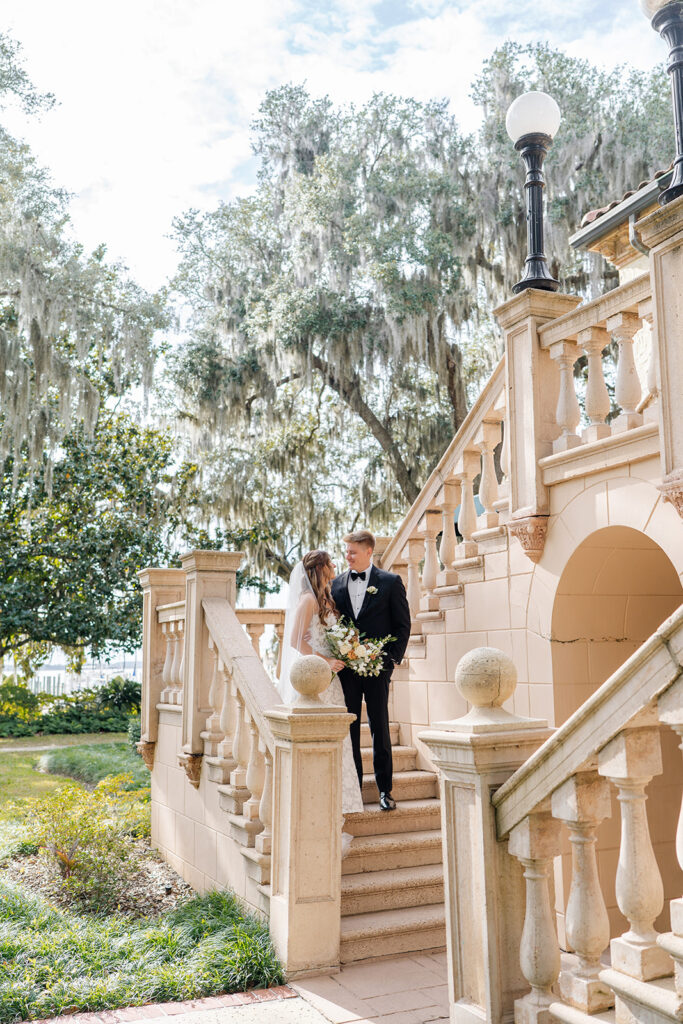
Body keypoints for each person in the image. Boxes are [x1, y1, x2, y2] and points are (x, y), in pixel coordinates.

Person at [277, 549, 364, 852]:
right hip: (318, 679)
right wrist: (325, 661)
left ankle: (332, 810)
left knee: (338, 745)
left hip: (331, 682)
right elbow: (294, 640)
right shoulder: (308, 601)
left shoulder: (325, 600)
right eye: (330, 564)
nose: (335, 567)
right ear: (319, 569)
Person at [331, 530, 411, 811]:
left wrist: (391, 660)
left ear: (368, 552)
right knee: (350, 728)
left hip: (378, 669)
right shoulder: (335, 585)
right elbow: (332, 626)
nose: (347, 557)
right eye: (346, 552)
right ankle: (354, 787)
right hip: (347, 671)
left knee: (380, 727)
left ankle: (385, 790)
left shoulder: (390, 582)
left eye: (352, 552)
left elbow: (403, 625)